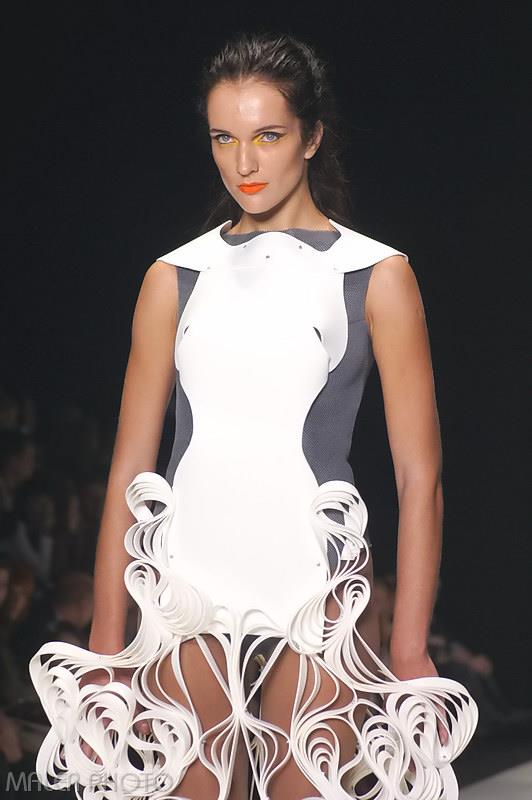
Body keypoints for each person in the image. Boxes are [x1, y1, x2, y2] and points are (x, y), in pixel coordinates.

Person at [29, 31, 478, 800]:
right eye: (223, 139)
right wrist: (106, 645)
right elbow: (129, 469)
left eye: (267, 136)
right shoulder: (175, 276)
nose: (244, 163)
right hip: (186, 588)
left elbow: (419, 477)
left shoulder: (373, 274)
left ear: (312, 136)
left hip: (319, 591)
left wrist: (408, 649)